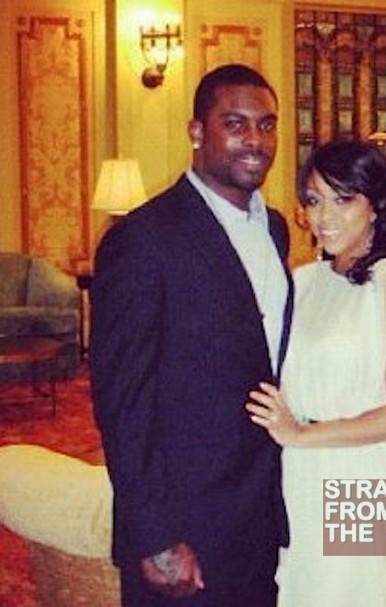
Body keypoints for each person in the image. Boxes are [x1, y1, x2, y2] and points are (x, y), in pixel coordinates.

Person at [89, 63, 293, 607]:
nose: (255, 140)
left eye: (267, 125)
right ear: (197, 132)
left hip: (259, 515)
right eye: (235, 124)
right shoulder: (142, 239)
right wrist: (154, 536)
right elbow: (122, 401)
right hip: (185, 525)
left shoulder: (275, 228)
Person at [246, 139, 386, 606]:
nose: (323, 216)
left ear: (376, 206)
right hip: (302, 471)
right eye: (314, 200)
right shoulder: (303, 281)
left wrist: (300, 434)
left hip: (367, 473)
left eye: (343, 199)